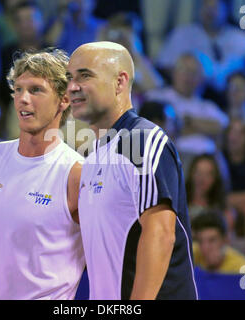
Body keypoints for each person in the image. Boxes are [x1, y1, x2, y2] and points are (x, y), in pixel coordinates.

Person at [66, 41, 198, 300]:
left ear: (120, 82)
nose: (72, 87)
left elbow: (160, 234)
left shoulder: (143, 139)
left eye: (85, 76)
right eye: (70, 78)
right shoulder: (93, 156)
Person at [0, 49, 85, 300]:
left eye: (36, 90)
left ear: (64, 100)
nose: (23, 99)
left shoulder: (77, 174)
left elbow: (106, 254)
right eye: (18, 89)